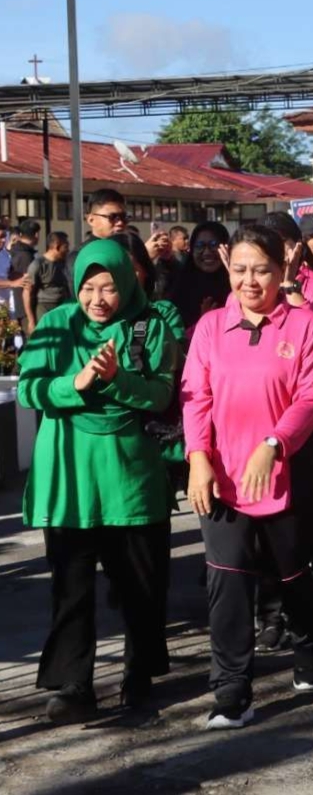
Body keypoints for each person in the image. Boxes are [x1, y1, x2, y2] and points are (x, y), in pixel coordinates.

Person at [19, 239, 177, 723]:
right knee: (72, 587)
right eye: (87, 288)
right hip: (70, 481)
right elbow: (29, 390)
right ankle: (74, 684)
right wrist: (76, 383)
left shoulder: (151, 325)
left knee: (140, 585)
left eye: (108, 287)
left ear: (127, 283)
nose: (97, 299)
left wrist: (114, 379)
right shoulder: (55, 325)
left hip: (130, 477)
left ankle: (139, 676)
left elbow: (161, 395)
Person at [181, 224, 313, 730]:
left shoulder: (305, 325)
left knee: (290, 573)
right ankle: (231, 690)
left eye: (262, 270)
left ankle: (308, 642)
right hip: (222, 477)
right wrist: (197, 457)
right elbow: (195, 397)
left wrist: (273, 445)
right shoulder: (209, 328)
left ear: (281, 269)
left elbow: (311, 397)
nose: (250, 281)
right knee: (226, 581)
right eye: (241, 270)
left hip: (284, 471)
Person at [260, 212, 313, 629]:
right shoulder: (249, 288)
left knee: (312, 509)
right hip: (262, 417)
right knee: (266, 519)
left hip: (307, 413)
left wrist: (290, 284)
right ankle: (272, 612)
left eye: (283, 244)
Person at [168, 221, 231, 335]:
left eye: (214, 245)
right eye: (200, 246)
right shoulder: (181, 288)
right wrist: (204, 322)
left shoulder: (240, 287)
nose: (207, 252)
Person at [22, 231, 71, 332]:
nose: (68, 250)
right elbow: (27, 293)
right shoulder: (37, 265)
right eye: (65, 247)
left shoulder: (63, 263)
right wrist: (31, 321)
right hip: (44, 309)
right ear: (57, 246)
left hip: (62, 308)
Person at [3, 218, 42, 327]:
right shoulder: (26, 256)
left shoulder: (14, 251)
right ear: (36, 234)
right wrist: (30, 318)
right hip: (25, 309)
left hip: (17, 307)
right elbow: (27, 287)